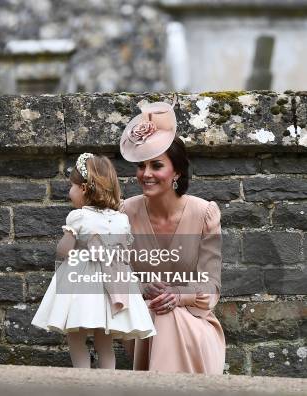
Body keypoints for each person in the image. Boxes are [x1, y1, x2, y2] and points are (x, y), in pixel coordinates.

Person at [119, 101, 226, 374]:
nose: (146, 174)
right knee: (160, 312)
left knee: (169, 314)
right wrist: (145, 289)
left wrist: (178, 296)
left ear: (176, 171)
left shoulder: (204, 213)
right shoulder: (125, 213)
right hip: (143, 325)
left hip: (195, 323)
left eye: (156, 165)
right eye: (141, 166)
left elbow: (211, 286)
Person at [31, 154, 156, 369]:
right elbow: (125, 253)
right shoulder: (121, 219)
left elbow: (63, 251)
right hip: (112, 282)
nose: (70, 191)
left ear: (84, 188)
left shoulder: (78, 217)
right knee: (104, 339)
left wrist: (67, 246)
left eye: (72, 186)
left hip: (82, 284)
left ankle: (83, 378)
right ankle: (106, 384)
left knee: (76, 335)